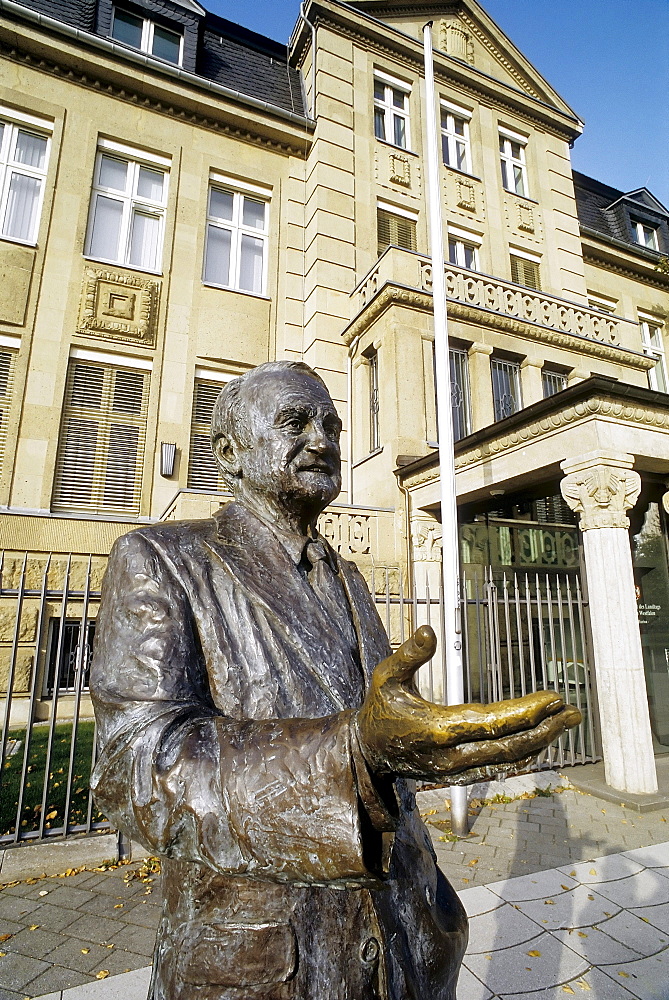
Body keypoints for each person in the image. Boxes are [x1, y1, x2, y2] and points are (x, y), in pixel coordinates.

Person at [90, 361, 579, 1000]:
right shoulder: (163, 561)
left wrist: (446, 753)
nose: (322, 439)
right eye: (295, 422)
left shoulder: (348, 580)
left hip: (403, 946)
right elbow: (135, 771)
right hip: (269, 965)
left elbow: (381, 739)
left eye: (333, 425)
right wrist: (354, 750)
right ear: (229, 452)